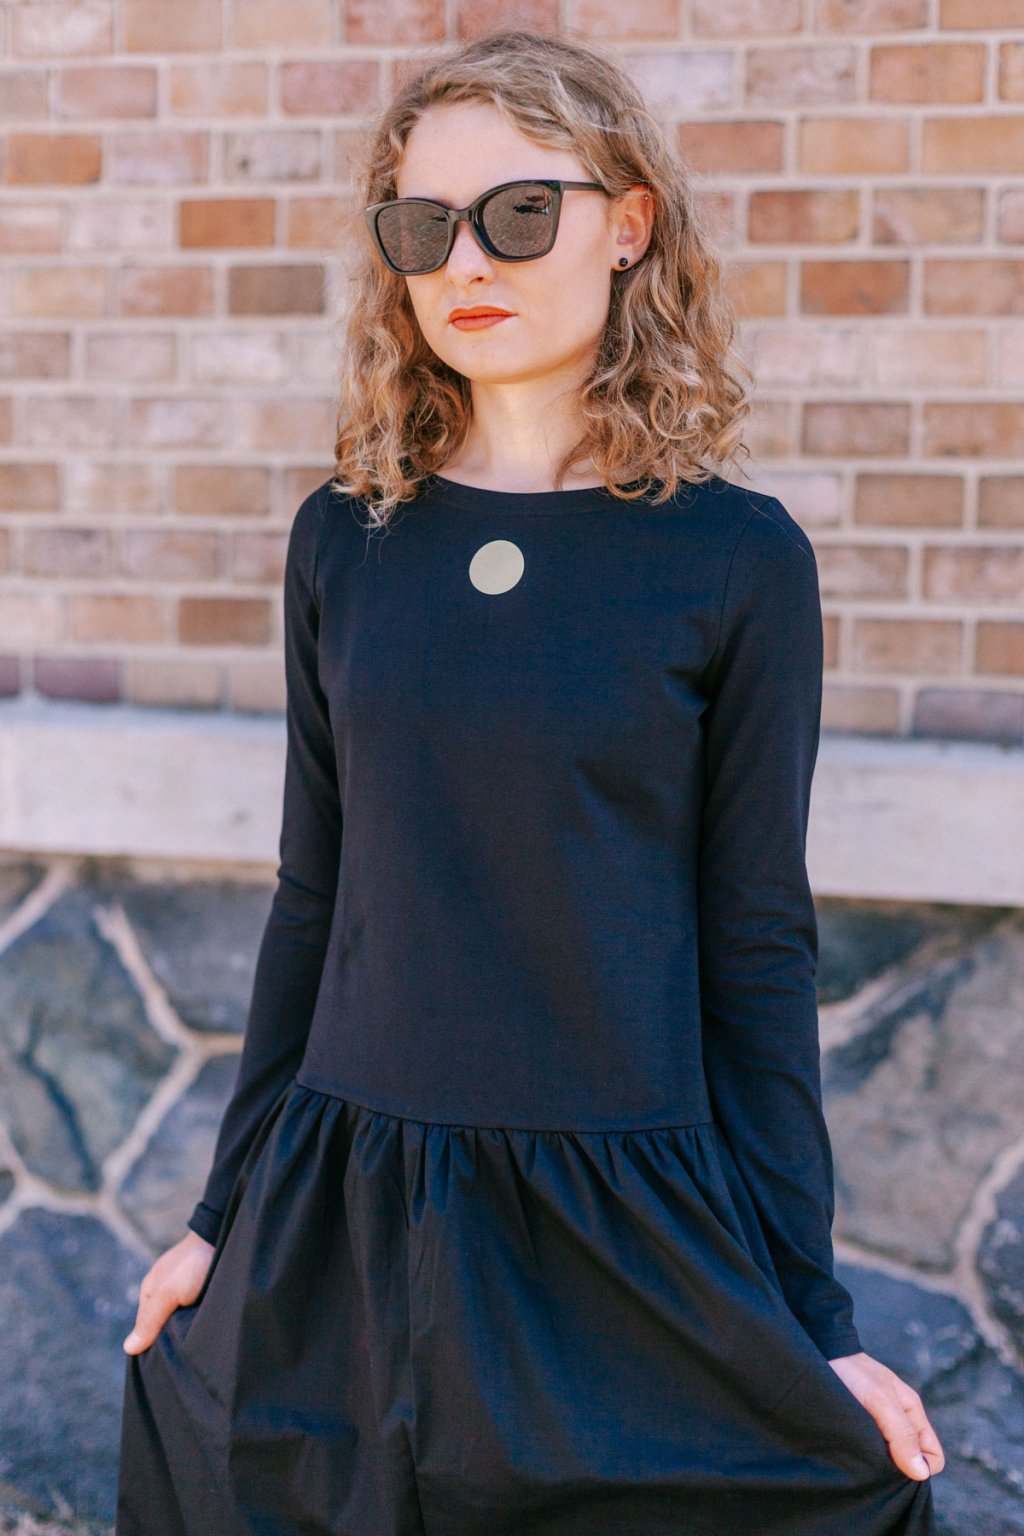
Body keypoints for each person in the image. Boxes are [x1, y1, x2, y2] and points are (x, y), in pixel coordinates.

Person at [116, 27, 945, 1536]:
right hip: (352, 1199)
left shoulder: (734, 559)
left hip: (618, 1214)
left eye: (517, 213)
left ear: (627, 225)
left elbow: (758, 942)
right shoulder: (345, 538)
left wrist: (814, 1320)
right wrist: (216, 1218)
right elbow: (314, 896)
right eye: (421, 227)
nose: (465, 262)